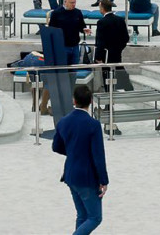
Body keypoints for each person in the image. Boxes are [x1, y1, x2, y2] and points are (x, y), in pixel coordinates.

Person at [52, 84, 108, 235]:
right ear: (91, 101)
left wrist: (74, 152)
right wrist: (103, 180)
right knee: (95, 217)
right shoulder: (93, 125)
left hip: (70, 174)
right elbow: (98, 156)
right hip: (87, 178)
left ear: (74, 100)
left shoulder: (63, 121)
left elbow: (56, 147)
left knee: (82, 215)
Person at [50, 0, 88, 65]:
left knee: (74, 67)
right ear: (65, 2)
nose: (74, 4)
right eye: (71, 3)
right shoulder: (56, 13)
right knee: (63, 67)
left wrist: (84, 29)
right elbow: (51, 29)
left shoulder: (78, 12)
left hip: (75, 45)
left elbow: (81, 25)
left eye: (75, 2)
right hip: (63, 46)